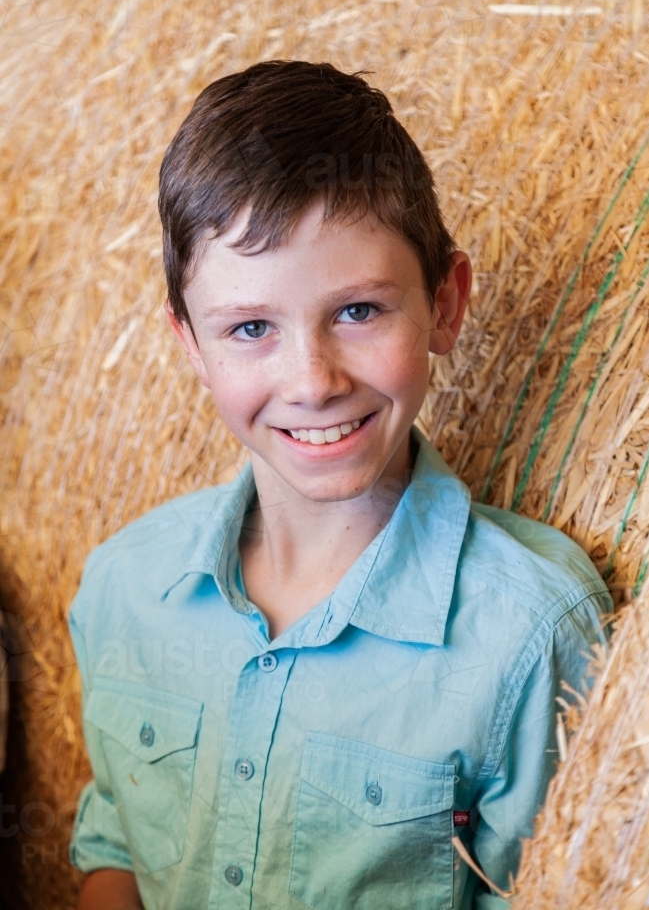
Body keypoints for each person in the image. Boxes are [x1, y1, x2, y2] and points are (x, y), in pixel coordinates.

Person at [69, 60, 612, 910]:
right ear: (188, 344)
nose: (312, 380)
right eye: (249, 327)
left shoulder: (529, 632)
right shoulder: (124, 588)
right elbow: (115, 841)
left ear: (445, 301)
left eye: (357, 311)